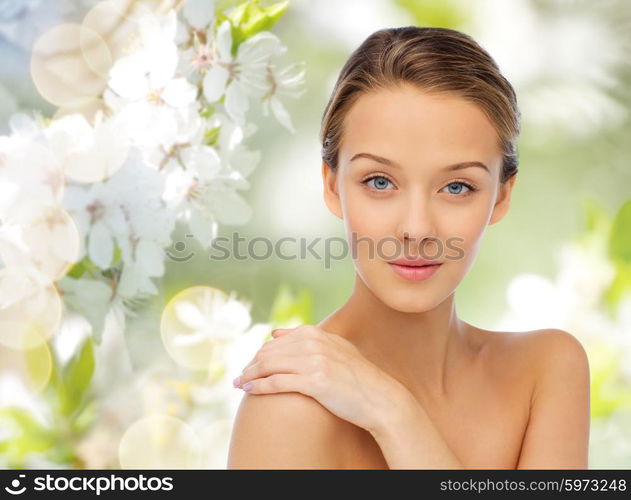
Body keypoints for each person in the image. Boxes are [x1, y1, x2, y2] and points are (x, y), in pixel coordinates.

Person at [226, 26, 590, 469]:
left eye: (457, 186)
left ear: (501, 195)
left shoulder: (546, 370)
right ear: (332, 186)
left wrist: (391, 411)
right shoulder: (290, 408)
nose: (416, 229)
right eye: (379, 182)